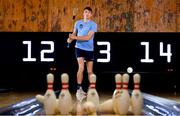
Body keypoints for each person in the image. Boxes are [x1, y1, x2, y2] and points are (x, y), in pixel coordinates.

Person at [67, 6, 97, 101]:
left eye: (89, 12)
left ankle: (91, 89)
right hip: (79, 48)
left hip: (89, 49)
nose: (87, 13)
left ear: (91, 14)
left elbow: (88, 37)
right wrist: (70, 39)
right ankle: (79, 89)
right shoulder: (77, 23)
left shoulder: (93, 25)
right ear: (83, 13)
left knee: (89, 71)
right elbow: (74, 34)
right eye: (85, 12)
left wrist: (75, 38)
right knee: (81, 68)